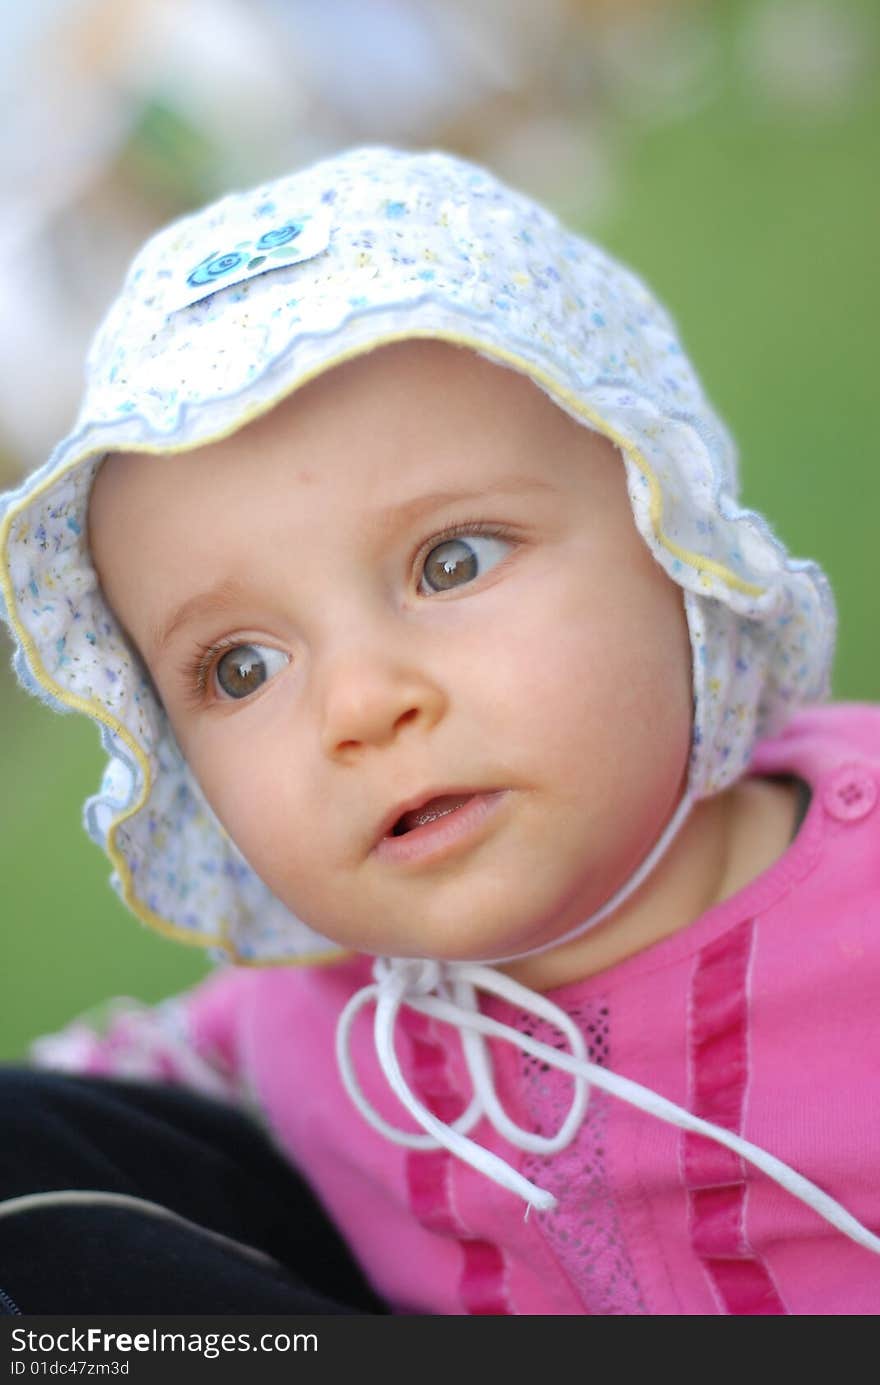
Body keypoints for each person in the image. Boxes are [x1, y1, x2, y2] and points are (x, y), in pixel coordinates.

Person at [1, 145, 878, 1316]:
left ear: (675, 539)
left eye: (449, 560)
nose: (362, 706)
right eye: (241, 665)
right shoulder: (297, 1021)